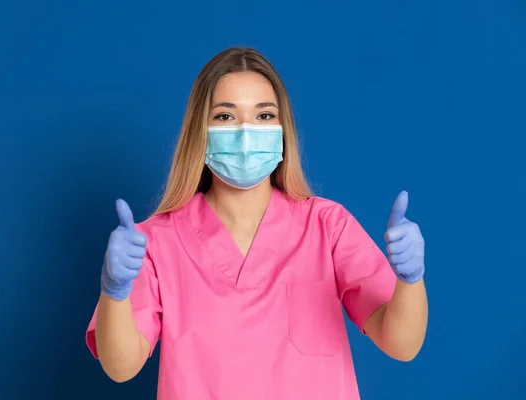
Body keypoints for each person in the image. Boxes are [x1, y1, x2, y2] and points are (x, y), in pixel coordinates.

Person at [85, 47, 428, 400]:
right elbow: (120, 367)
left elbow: (402, 345)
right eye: (225, 116)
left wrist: (410, 281)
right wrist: (115, 293)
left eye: (264, 116)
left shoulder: (327, 226)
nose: (246, 133)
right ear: (199, 131)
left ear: (283, 129)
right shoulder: (155, 242)